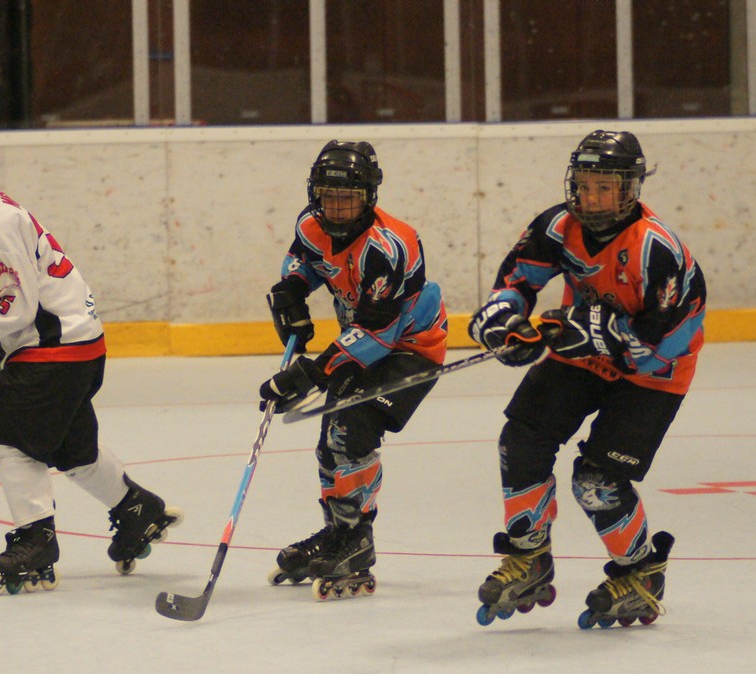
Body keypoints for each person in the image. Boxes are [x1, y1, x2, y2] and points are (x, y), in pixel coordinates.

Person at [0, 123, 181, 595]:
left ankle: (36, 542)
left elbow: (16, 306)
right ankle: (137, 510)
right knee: (73, 451)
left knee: (11, 440)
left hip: (57, 346)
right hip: (64, 345)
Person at [467, 129, 706, 627]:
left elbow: (656, 346)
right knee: (522, 439)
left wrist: (592, 329)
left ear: (630, 189)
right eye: (584, 185)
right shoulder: (558, 225)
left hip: (655, 372)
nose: (591, 198)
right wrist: (506, 322)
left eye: (605, 187)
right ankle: (529, 555)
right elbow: (516, 281)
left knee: (596, 480)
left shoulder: (657, 249)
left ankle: (640, 572)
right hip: (584, 354)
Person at [258, 140, 448, 600]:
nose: (338, 209)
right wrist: (291, 292)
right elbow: (304, 260)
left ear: (369, 197)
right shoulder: (310, 223)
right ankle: (339, 532)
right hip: (359, 344)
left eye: (349, 198)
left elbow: (378, 331)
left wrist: (311, 373)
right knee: (331, 442)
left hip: (410, 349)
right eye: (329, 197)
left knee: (351, 428)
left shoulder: (389, 246)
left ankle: (357, 541)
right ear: (315, 194)